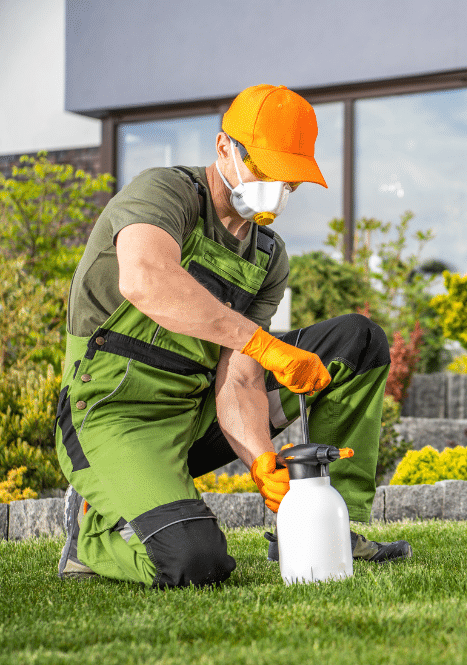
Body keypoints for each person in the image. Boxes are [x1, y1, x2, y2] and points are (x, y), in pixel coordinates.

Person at [55, 84, 411, 587]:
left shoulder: (268, 256)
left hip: (196, 412)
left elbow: (239, 379)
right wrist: (264, 344)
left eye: (288, 179)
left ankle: (329, 527)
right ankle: (91, 535)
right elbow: (146, 279)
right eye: (264, 170)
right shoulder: (163, 194)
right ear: (225, 147)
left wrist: (262, 461)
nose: (277, 188)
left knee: (358, 343)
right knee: (195, 564)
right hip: (114, 411)